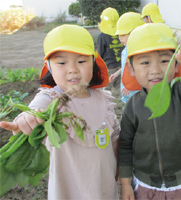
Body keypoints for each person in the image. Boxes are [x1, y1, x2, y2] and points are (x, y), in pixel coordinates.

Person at [0, 24, 120, 200]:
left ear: (93, 62)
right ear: (48, 66)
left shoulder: (104, 99)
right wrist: (29, 118)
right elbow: (36, 110)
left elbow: (115, 136)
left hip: (104, 188)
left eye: (81, 61)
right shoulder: (51, 98)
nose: (73, 69)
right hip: (68, 191)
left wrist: (117, 168)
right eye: (62, 62)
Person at [118, 23, 181, 200]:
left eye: (164, 60)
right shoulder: (132, 106)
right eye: (145, 62)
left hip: (178, 184)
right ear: (131, 69)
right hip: (143, 183)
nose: (155, 70)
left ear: (177, 64)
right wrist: (125, 184)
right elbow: (124, 146)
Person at [109, 12, 145, 103]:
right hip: (127, 90)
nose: (120, 38)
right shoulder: (126, 48)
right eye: (119, 35)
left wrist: (131, 84)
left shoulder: (138, 51)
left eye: (123, 35)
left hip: (135, 91)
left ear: (135, 33)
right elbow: (126, 65)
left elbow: (140, 71)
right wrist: (117, 73)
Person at [97, 7, 124, 92]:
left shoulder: (102, 36)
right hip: (121, 67)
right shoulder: (121, 33)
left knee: (106, 91)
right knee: (121, 90)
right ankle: (125, 104)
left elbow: (100, 54)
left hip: (109, 68)